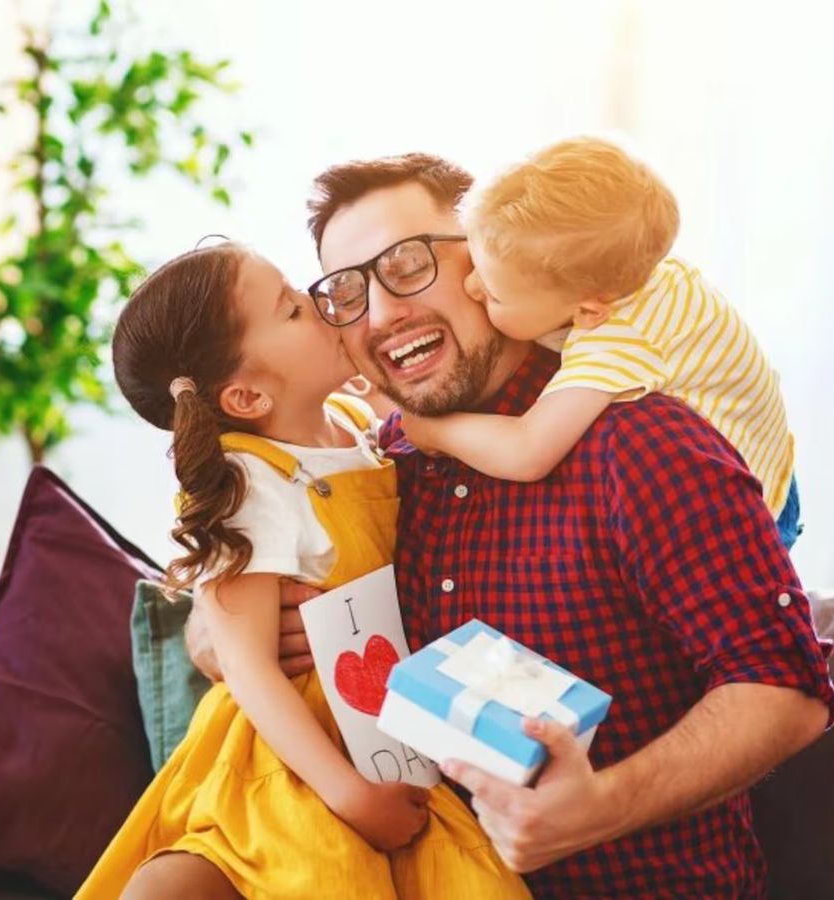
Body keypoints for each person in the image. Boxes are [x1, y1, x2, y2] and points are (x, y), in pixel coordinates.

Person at [188, 152, 834, 898]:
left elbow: (785, 689)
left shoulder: (641, 442)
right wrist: (216, 635)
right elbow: (234, 567)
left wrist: (600, 807)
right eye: (345, 291)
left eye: (407, 263)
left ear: (486, 259)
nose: (381, 314)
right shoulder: (378, 467)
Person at [77, 241, 530, 899]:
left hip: (383, 726)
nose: (319, 302)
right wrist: (351, 796)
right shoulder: (250, 481)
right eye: (291, 308)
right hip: (295, 755)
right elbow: (249, 668)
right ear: (247, 395)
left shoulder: (352, 421)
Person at [395, 136, 800, 548]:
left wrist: (433, 431)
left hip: (753, 507)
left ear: (588, 312)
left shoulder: (619, 340)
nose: (470, 286)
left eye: (495, 294)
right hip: (771, 447)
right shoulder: (628, 269)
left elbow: (528, 450)